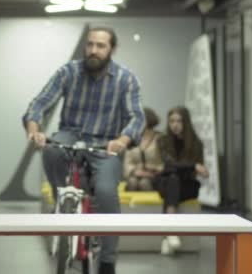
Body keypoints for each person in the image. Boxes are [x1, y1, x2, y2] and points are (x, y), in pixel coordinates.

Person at [23, 26, 145, 274]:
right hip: (70, 135)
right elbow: (39, 104)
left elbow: (137, 118)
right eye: (90, 45)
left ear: (112, 49)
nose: (93, 51)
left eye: (101, 46)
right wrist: (35, 130)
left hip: (105, 143)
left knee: (106, 192)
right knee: (52, 150)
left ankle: (108, 260)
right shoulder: (68, 72)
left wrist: (122, 140)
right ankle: (63, 200)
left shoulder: (126, 79)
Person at [155, 106, 209, 255]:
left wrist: (185, 168)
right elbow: (168, 165)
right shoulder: (163, 141)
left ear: (186, 122)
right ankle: (172, 230)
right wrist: (193, 166)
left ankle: (168, 235)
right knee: (173, 179)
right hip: (165, 181)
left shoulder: (196, 143)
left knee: (175, 181)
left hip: (187, 184)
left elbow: (188, 172)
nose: (175, 124)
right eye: (172, 121)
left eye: (179, 121)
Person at [124, 107, 163, 191]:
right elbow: (127, 162)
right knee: (132, 181)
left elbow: (165, 162)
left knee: (144, 183)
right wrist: (134, 171)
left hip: (156, 175)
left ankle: (152, 204)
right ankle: (130, 205)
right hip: (136, 174)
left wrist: (154, 170)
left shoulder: (161, 139)